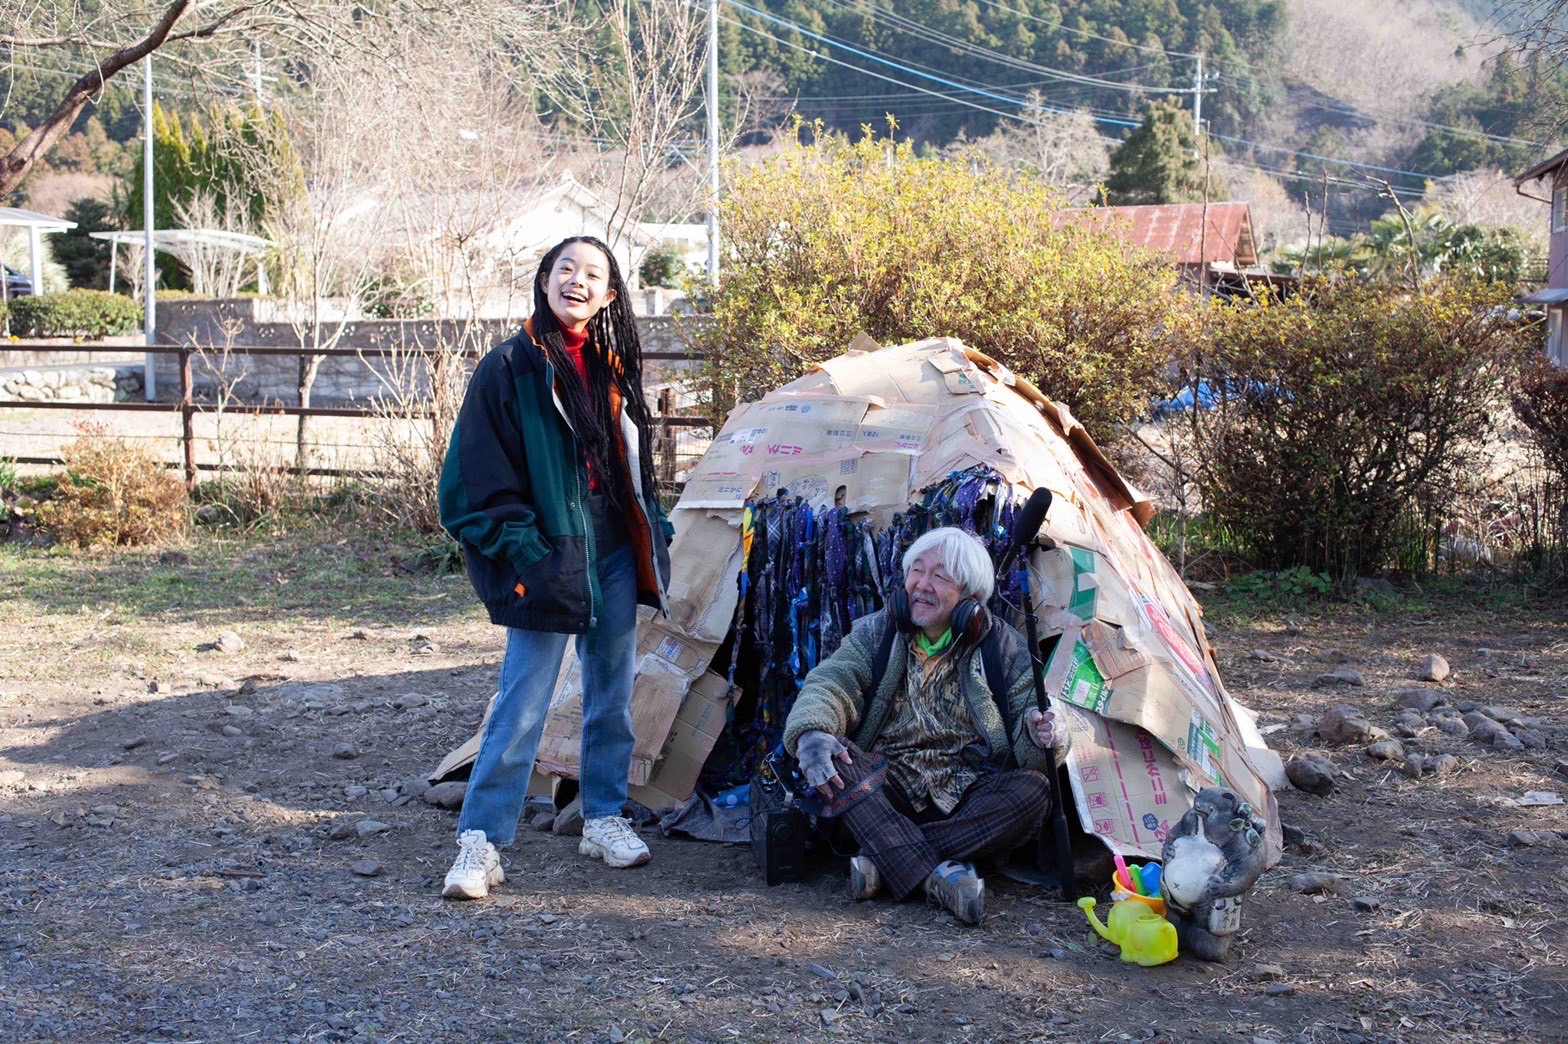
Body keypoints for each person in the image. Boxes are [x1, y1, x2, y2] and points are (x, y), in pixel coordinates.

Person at [436, 235, 673, 900]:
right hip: (548, 552)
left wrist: (655, 526)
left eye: (593, 273)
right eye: (566, 268)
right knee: (522, 703)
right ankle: (480, 842)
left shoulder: (613, 366)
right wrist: (526, 549)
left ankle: (602, 817)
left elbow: (632, 469)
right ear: (544, 281)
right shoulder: (509, 367)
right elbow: (467, 486)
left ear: (610, 295)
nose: (578, 280)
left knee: (612, 696)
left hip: (615, 549)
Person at [782, 527, 1068, 925]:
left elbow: (1031, 736)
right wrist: (813, 732)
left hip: (966, 794)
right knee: (839, 758)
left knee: (1034, 790)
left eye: (940, 576)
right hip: (885, 788)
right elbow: (833, 680)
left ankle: (886, 858)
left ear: (970, 595)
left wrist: (1045, 733)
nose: (922, 585)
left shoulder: (1002, 646)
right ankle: (941, 875)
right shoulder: (878, 631)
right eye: (917, 571)